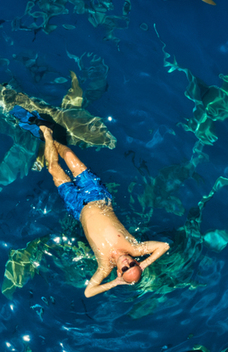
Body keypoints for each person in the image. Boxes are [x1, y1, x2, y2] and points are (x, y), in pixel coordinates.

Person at [40, 125, 170, 298]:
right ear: (135, 262)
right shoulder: (135, 248)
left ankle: (48, 137)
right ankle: (53, 143)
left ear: (118, 272)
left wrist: (116, 282)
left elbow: (88, 292)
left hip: (76, 207)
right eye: (132, 265)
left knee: (53, 169)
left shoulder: (104, 265)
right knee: (69, 155)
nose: (126, 263)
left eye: (124, 269)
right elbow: (164, 246)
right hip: (96, 194)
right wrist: (143, 265)